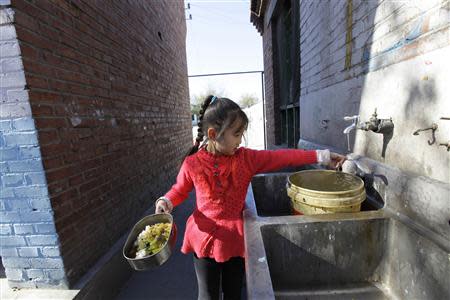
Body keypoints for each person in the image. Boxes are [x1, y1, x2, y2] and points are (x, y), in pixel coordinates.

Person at [154, 95, 346, 300]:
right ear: (213, 134)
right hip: (204, 240)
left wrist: (321, 156)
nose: (240, 140)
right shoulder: (192, 164)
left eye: (242, 133)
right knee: (207, 295)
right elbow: (179, 189)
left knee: (234, 293)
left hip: (235, 240)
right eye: (236, 134)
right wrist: (166, 201)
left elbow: (282, 157)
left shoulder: (247, 159)